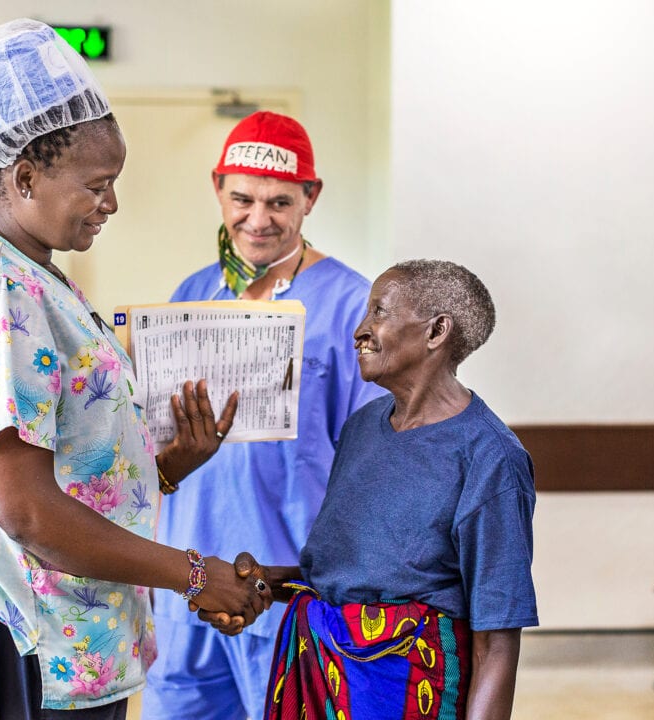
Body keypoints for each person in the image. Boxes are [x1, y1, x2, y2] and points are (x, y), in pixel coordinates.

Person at [0, 19, 270, 718]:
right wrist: (194, 576)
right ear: (23, 177)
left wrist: (166, 467)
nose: (111, 204)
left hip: (67, 633)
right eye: (97, 185)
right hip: (16, 632)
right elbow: (28, 512)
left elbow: (62, 466)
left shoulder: (36, 276)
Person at [203, 259, 540, 719]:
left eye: (379, 312)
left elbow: (497, 638)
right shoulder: (364, 425)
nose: (360, 329)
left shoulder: (490, 456)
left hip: (404, 688)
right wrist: (259, 581)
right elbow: (348, 574)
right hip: (319, 670)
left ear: (437, 332)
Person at [144, 112, 385, 718]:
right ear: (218, 188)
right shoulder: (192, 293)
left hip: (285, 585)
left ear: (311, 197)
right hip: (187, 576)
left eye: (279, 202)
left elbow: (377, 461)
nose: (258, 219)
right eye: (242, 198)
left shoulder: (353, 304)